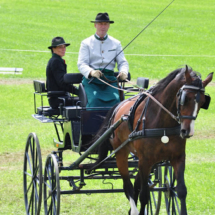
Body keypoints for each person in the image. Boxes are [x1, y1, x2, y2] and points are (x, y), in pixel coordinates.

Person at [77, 12, 129, 108]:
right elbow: (82, 63)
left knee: (116, 101)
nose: (103, 26)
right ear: (95, 25)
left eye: (105, 24)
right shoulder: (86, 43)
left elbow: (123, 62)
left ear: (109, 26)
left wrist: (123, 71)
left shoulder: (116, 43)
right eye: (100, 24)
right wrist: (91, 72)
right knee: (95, 101)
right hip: (92, 81)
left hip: (109, 80)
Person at [46, 36, 79, 109]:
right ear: (53, 49)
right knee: (85, 100)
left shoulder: (54, 60)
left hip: (57, 98)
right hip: (59, 99)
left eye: (64, 47)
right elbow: (62, 83)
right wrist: (77, 91)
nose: (63, 49)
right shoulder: (56, 61)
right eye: (60, 47)